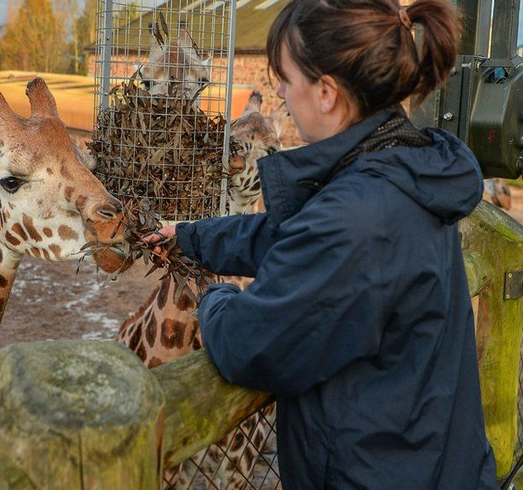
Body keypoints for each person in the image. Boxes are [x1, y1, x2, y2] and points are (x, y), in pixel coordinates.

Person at [145, 0, 498, 488]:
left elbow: (251, 344)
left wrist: (213, 297)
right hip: (433, 459)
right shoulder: (401, 170)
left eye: (285, 81)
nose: (283, 97)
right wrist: (188, 236)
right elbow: (296, 236)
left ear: (326, 92)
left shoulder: (357, 213)